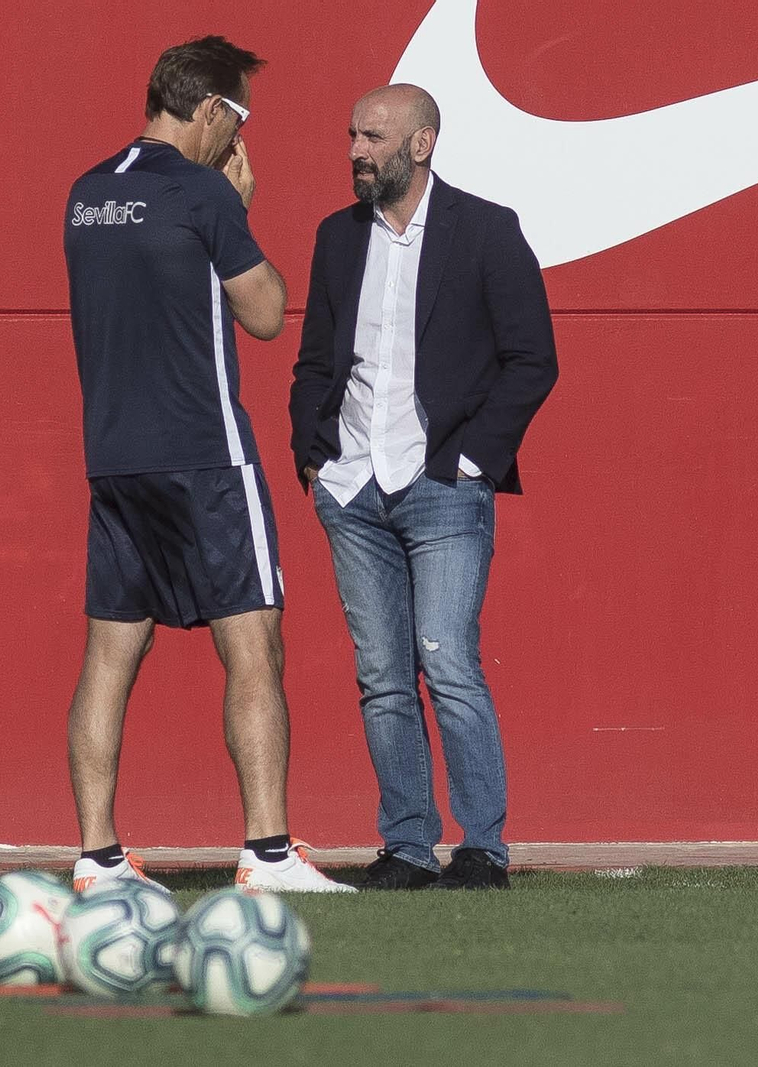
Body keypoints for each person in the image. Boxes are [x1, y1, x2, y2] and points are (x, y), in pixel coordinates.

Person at [63, 36, 352, 894]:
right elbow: (267, 314)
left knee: (110, 654)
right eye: (241, 120)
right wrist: (241, 211)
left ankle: (97, 855)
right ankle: (268, 853)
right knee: (255, 641)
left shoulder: (85, 194)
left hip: (113, 459)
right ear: (217, 112)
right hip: (204, 455)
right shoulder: (201, 192)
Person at [289, 84, 558, 890]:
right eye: (350, 133)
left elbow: (532, 358)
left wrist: (473, 460)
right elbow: (315, 360)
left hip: (443, 484)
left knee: (447, 660)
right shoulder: (337, 238)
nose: (355, 150)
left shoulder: (486, 230)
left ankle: (482, 846)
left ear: (421, 144)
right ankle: (406, 845)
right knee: (382, 674)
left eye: (372, 135)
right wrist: (315, 454)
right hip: (352, 487)